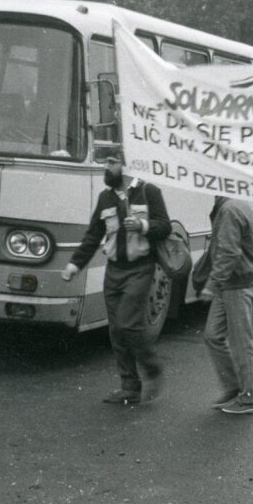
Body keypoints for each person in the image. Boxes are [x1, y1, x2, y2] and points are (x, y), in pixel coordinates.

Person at [63, 155, 172, 404]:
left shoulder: (149, 191)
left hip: (140, 268)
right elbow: (93, 235)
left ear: (126, 164)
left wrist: (143, 226)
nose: (105, 167)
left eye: (111, 162)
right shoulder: (105, 197)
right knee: (116, 330)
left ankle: (152, 367)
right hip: (114, 270)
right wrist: (74, 265)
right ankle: (130, 386)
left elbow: (165, 226)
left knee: (127, 324)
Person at [201, 196, 253, 414]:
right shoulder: (234, 204)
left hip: (238, 283)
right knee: (212, 335)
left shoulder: (229, 210)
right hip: (231, 281)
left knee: (240, 342)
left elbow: (229, 252)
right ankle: (234, 387)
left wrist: (212, 284)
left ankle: (249, 397)